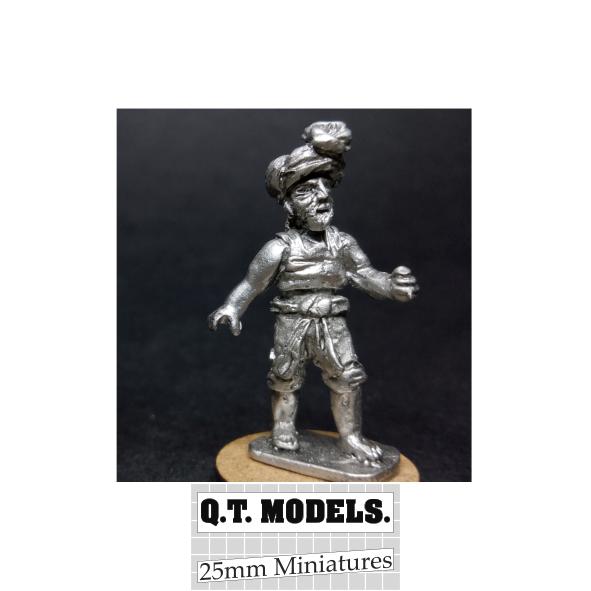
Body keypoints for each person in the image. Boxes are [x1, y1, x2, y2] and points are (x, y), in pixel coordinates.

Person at [208, 121, 418, 464]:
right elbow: (252, 283)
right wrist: (232, 307)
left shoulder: (342, 243)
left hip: (332, 323)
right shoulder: (279, 248)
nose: (321, 197)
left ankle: (351, 438)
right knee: (285, 378)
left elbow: (364, 274)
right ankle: (282, 429)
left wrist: (391, 286)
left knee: (347, 378)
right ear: (289, 205)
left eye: (324, 188)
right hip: (292, 322)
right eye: (307, 191)